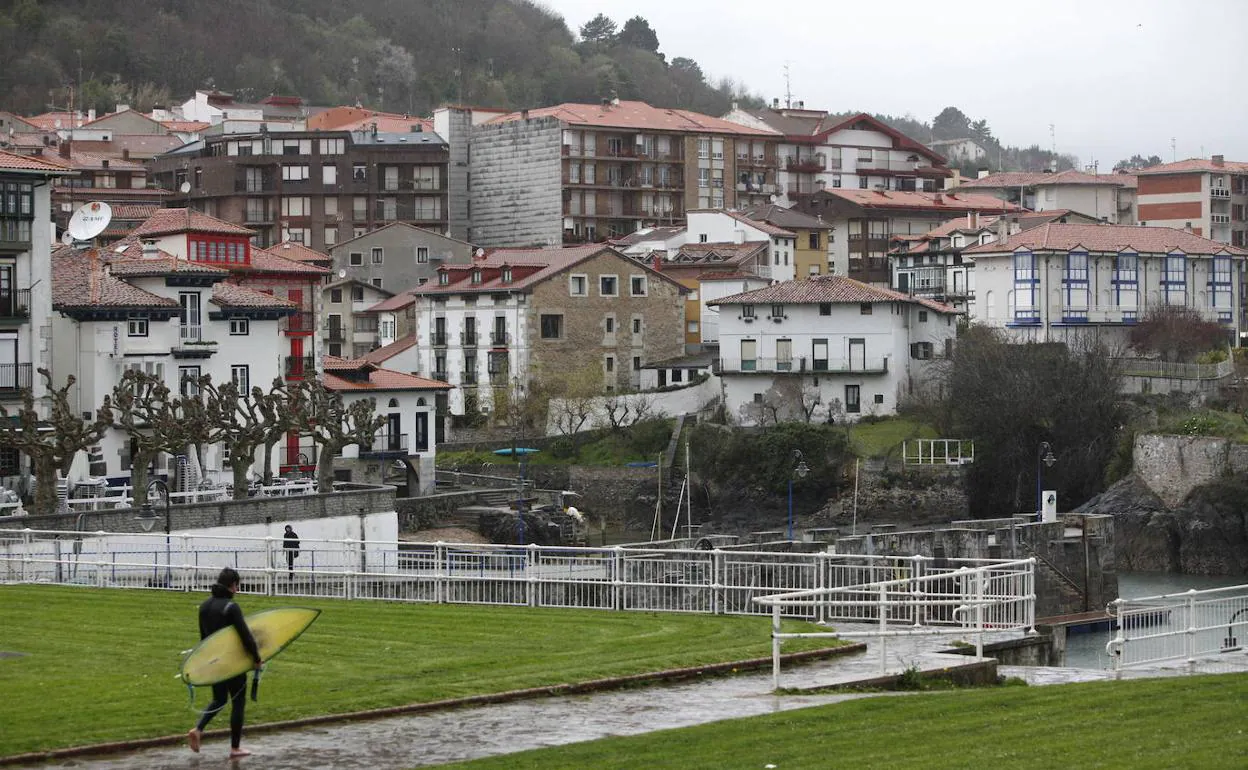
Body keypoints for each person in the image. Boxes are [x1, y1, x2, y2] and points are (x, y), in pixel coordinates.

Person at [188, 567, 262, 759]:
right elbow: (245, 635)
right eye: (237, 585)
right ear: (232, 585)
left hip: (214, 662)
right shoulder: (231, 607)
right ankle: (235, 748)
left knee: (219, 699)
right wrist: (256, 657)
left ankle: (198, 729)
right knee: (238, 702)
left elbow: (204, 639)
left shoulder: (204, 607)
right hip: (232, 662)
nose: (237, 589)